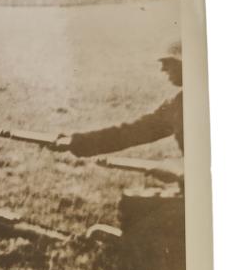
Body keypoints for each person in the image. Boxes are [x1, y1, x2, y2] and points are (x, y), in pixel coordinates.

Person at [54, 40, 184, 183]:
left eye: (168, 62)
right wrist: (78, 142)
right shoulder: (177, 105)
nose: (163, 69)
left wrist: (180, 166)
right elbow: (132, 132)